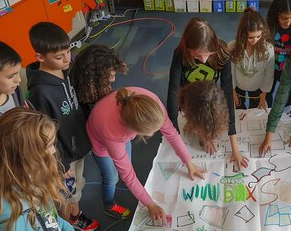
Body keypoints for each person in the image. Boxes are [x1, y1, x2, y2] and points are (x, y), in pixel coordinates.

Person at [87, 87, 206, 223]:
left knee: (124, 163)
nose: (155, 134)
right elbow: (128, 176)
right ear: (134, 130)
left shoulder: (152, 103)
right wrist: (150, 204)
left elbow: (171, 133)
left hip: (117, 125)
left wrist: (189, 163)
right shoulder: (113, 134)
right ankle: (109, 205)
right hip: (100, 138)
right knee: (112, 176)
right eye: (151, 132)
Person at [26, 22, 99, 231]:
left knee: (77, 183)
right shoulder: (40, 92)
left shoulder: (64, 72)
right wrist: (60, 163)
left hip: (76, 145)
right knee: (69, 191)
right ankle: (71, 220)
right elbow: (44, 134)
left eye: (68, 51)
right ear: (41, 57)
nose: (67, 59)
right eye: (59, 56)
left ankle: (72, 214)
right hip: (63, 155)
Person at [167, 18, 248, 169]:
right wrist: (175, 132)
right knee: (194, 122)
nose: (203, 60)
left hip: (208, 95)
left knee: (211, 116)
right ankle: (199, 133)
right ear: (187, 46)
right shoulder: (180, 54)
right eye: (197, 55)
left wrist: (235, 148)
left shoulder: (222, 54)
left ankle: (204, 133)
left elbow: (228, 94)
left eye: (208, 54)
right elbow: (173, 92)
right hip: (189, 97)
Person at [229, 8, 274, 110]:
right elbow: (231, 72)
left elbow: (269, 74)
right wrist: (233, 93)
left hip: (257, 86)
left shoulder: (268, 49)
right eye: (251, 37)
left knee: (255, 109)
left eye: (259, 36)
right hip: (238, 86)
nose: (255, 40)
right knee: (239, 110)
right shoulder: (232, 47)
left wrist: (263, 97)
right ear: (243, 35)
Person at [70, 44, 128, 118]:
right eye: (110, 76)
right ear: (92, 77)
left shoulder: (93, 85)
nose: (113, 80)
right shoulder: (77, 100)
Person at [178, 81, 229, 151]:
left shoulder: (219, 107)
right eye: (198, 131)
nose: (195, 132)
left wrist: (207, 137)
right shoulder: (185, 101)